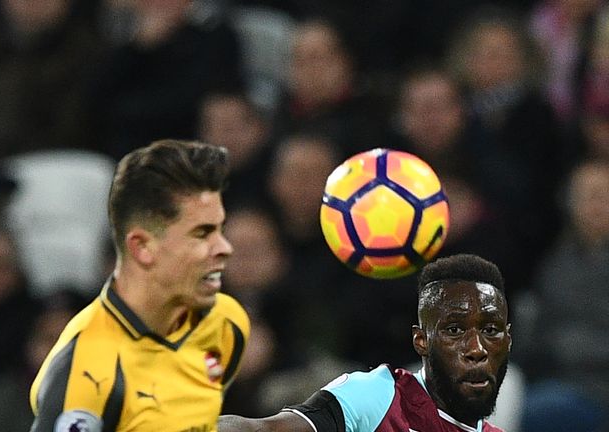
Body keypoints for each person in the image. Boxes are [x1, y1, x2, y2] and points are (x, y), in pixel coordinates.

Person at [29, 140, 250, 431]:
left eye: (220, 230)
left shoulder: (226, 324)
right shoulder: (87, 376)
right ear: (143, 247)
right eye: (201, 234)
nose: (224, 247)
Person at [219, 253, 511, 432]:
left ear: (508, 339)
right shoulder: (380, 397)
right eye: (455, 330)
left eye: (491, 331)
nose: (476, 349)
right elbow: (261, 430)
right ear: (421, 341)